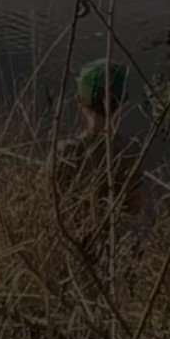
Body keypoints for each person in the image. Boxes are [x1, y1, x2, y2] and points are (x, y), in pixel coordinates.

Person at [55, 59, 144, 245]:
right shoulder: (129, 150)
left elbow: (44, 198)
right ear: (123, 103)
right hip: (109, 243)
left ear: (79, 101)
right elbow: (135, 208)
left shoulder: (65, 150)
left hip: (68, 240)